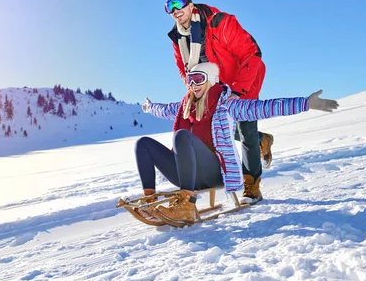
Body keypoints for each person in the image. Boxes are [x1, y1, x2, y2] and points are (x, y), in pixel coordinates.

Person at [136, 62, 338, 222]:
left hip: (214, 172)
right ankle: (149, 200)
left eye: (198, 79)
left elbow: (264, 107)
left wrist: (305, 103)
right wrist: (149, 106)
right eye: (190, 80)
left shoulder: (227, 104)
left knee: (181, 136)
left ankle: (187, 204)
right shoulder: (184, 106)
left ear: (212, 81)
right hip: (185, 173)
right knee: (143, 143)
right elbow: (163, 109)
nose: (193, 84)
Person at [164, 0, 274, 202]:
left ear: (189, 4)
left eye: (178, 3)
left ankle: (251, 184)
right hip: (213, 85)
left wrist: (239, 89)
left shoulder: (219, 22)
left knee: (245, 127)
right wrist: (194, 89)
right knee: (208, 127)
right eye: (170, 7)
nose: (175, 11)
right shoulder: (178, 38)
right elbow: (183, 68)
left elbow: (252, 54)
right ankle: (263, 140)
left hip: (244, 78)